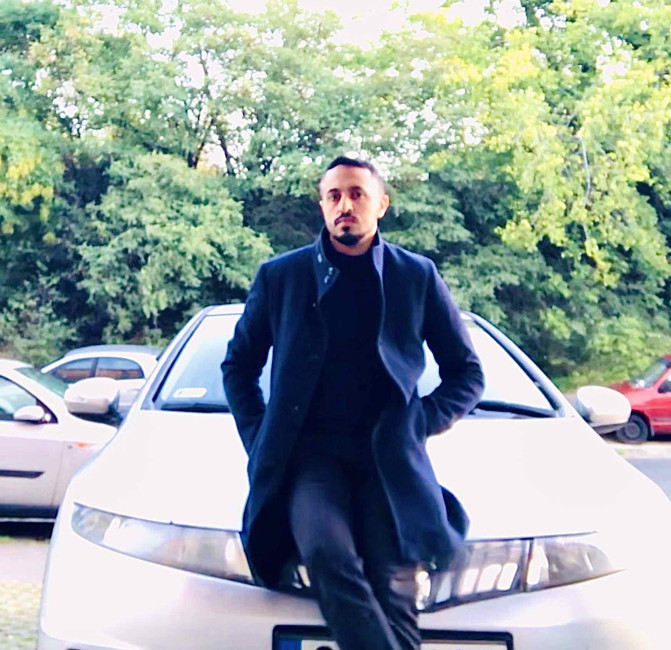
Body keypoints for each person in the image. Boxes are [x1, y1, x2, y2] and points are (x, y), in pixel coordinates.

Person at [222, 156, 484, 650]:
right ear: (323, 206)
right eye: (334, 195)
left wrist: (418, 421)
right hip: (310, 461)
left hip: (388, 461)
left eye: (357, 194)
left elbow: (467, 373)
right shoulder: (282, 277)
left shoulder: (416, 276)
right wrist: (261, 437)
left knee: (393, 583)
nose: (345, 204)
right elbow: (238, 366)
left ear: (381, 204)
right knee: (327, 553)